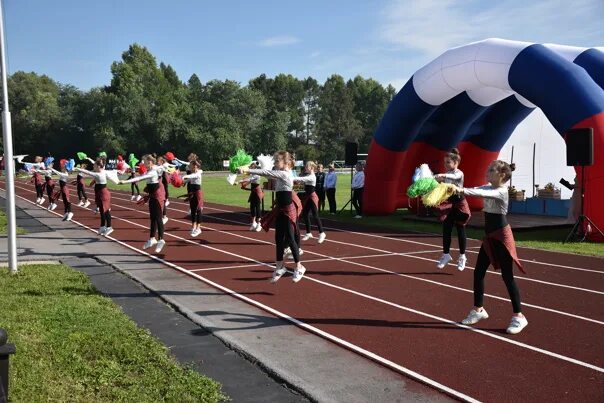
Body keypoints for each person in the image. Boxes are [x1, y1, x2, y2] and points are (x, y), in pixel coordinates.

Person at [455, 161, 528, 335]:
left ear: (502, 175)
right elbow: (477, 188)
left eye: (491, 170)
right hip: (490, 236)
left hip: (502, 236)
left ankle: (519, 316)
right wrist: (454, 187)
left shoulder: (501, 191)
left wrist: (461, 190)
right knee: (478, 272)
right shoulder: (488, 187)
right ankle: (478, 310)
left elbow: (477, 192)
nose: (487, 172)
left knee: (507, 276)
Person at [238, 151, 306, 283]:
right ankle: (280, 266)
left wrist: (248, 170)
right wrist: (248, 172)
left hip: (288, 210)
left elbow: (267, 173)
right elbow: (268, 174)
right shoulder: (280, 174)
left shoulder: (285, 174)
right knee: (278, 238)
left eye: (277, 161)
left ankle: (299, 267)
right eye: (274, 161)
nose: (274, 163)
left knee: (291, 238)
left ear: (285, 163)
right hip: (280, 209)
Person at [119, 154, 167, 253]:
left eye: (145, 162)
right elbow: (160, 167)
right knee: (153, 218)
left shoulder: (152, 172)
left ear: (150, 162)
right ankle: (152, 238)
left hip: (158, 197)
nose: (143, 164)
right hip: (152, 196)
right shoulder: (152, 169)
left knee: (158, 218)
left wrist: (125, 182)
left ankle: (161, 240)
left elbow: (139, 178)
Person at [434, 148, 471, 271]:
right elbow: (439, 184)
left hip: (459, 205)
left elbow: (453, 177)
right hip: (449, 205)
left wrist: (442, 175)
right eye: (444, 163)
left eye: (448, 162)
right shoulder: (446, 175)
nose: (445, 165)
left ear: (456, 163)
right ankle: (445, 255)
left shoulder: (459, 173)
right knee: (446, 229)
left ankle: (462, 256)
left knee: (460, 230)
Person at [74, 158, 114, 236]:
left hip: (103, 193)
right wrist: (89, 159)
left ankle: (109, 227)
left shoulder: (99, 174)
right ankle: (102, 226)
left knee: (106, 211)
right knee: (102, 210)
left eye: (95, 165)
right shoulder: (101, 170)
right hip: (99, 193)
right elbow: (95, 165)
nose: (93, 166)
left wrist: (77, 168)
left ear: (99, 166)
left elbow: (87, 172)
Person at [293, 161, 326, 243]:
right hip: (307, 197)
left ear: (311, 168)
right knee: (305, 214)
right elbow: (300, 183)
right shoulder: (307, 175)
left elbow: (301, 179)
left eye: (307, 166)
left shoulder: (311, 176)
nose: (305, 168)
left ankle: (322, 233)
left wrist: (292, 177)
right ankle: (308, 233)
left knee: (315, 215)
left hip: (312, 197)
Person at [182, 160, 204, 237]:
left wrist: (184, 176)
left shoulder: (198, 172)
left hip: (197, 192)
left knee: (198, 210)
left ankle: (198, 228)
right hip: (192, 192)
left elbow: (193, 176)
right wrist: (184, 182)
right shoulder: (193, 173)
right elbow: (190, 179)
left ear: (195, 166)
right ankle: (193, 226)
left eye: (190, 166)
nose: (189, 167)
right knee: (192, 209)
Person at [240, 162, 264, 231]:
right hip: (253, 192)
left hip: (257, 192)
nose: (250, 167)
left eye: (251, 166)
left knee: (257, 207)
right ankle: (253, 223)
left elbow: (249, 179)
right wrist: (244, 185)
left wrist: (241, 181)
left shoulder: (257, 174)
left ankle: (259, 224)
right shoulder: (252, 173)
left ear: (255, 167)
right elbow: (249, 179)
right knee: (252, 207)